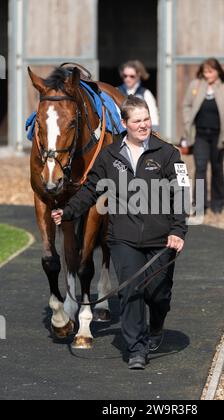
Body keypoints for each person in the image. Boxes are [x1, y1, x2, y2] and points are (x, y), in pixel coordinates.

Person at [52, 96, 188, 370]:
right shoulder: (109, 155)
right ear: (124, 124)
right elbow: (91, 189)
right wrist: (67, 211)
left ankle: (157, 324)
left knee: (158, 294)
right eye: (136, 121)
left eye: (146, 119)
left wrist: (178, 230)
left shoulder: (169, 153)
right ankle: (137, 349)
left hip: (162, 241)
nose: (143, 125)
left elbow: (182, 192)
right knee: (131, 292)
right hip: (123, 239)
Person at [182, 58, 224, 214]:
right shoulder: (195, 85)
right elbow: (187, 105)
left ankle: (217, 202)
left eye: (210, 71)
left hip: (219, 136)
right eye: (205, 71)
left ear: (218, 71)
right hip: (200, 135)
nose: (207, 75)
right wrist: (188, 122)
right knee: (200, 168)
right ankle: (199, 204)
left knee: (217, 168)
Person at [118, 60, 160, 131]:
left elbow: (154, 119)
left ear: (138, 76)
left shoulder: (146, 93)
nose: (127, 79)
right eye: (125, 76)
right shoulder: (117, 91)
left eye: (132, 76)